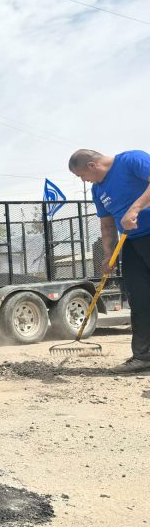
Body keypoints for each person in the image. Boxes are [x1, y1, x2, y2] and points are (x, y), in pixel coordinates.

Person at [68, 149, 150, 374]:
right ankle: (144, 357)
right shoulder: (98, 190)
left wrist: (135, 208)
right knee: (139, 299)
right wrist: (107, 254)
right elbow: (106, 225)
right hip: (131, 243)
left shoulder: (132, 159)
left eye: (81, 175)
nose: (83, 181)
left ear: (92, 166)